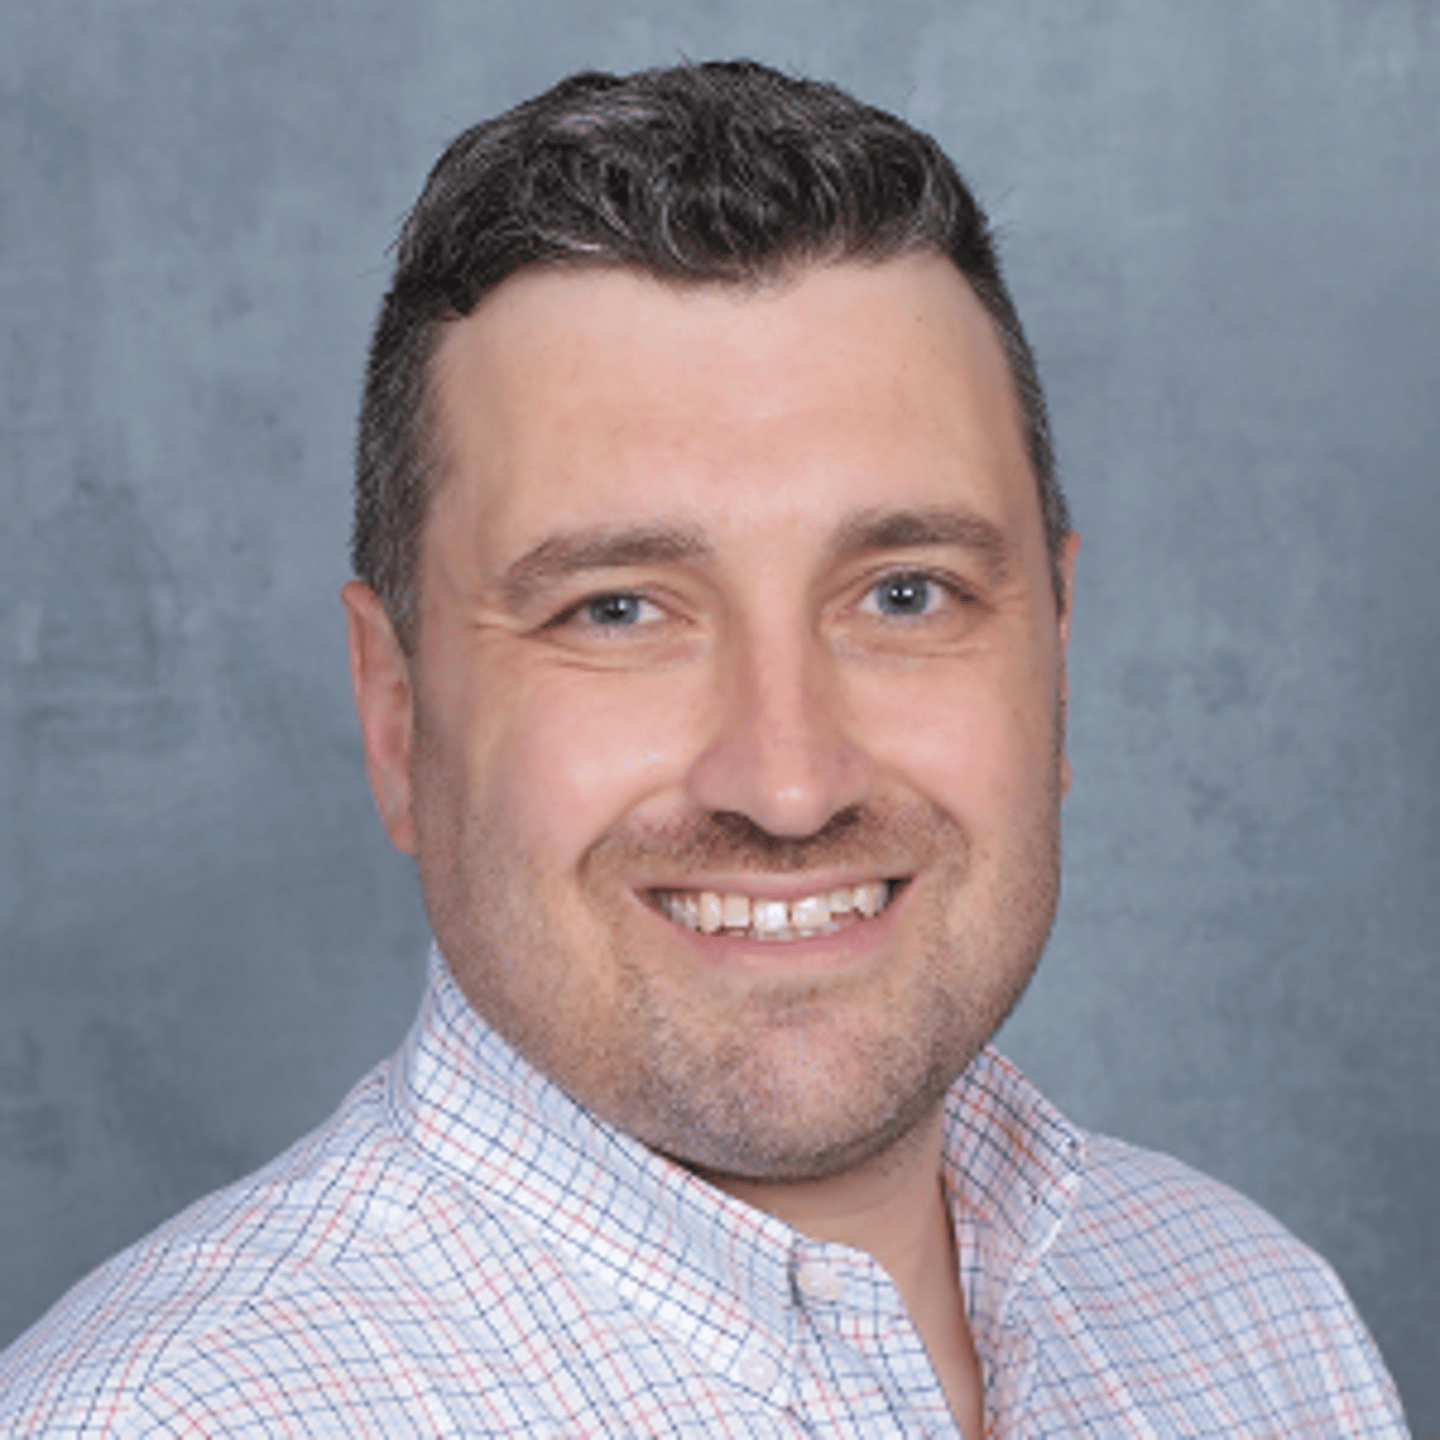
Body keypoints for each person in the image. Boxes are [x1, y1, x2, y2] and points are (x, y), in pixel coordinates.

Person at [0, 60, 1408, 1437]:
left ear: (1055, 651)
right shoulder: (163, 1417)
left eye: (904, 594)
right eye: (617, 611)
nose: (790, 784)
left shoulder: (1256, 1327)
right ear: (396, 713)